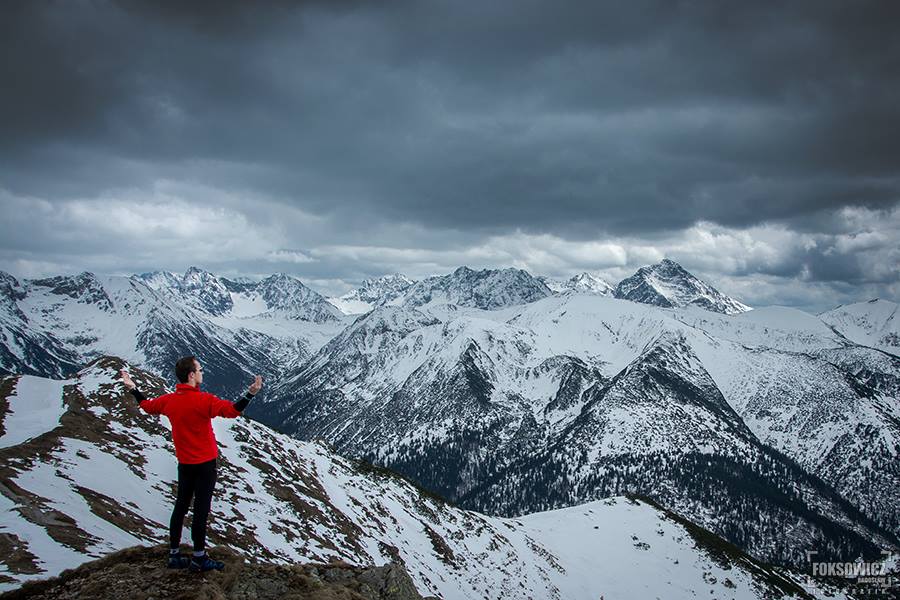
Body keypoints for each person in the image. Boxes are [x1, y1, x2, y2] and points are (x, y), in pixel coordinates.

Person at [120, 356, 262, 572]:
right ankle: (199, 558)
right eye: (200, 370)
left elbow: (146, 406)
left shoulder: (169, 401)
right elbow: (233, 411)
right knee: (201, 510)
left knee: (181, 507)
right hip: (205, 464)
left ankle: (174, 555)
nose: (203, 373)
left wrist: (133, 389)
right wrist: (251, 393)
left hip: (184, 463)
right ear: (191, 375)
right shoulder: (204, 401)